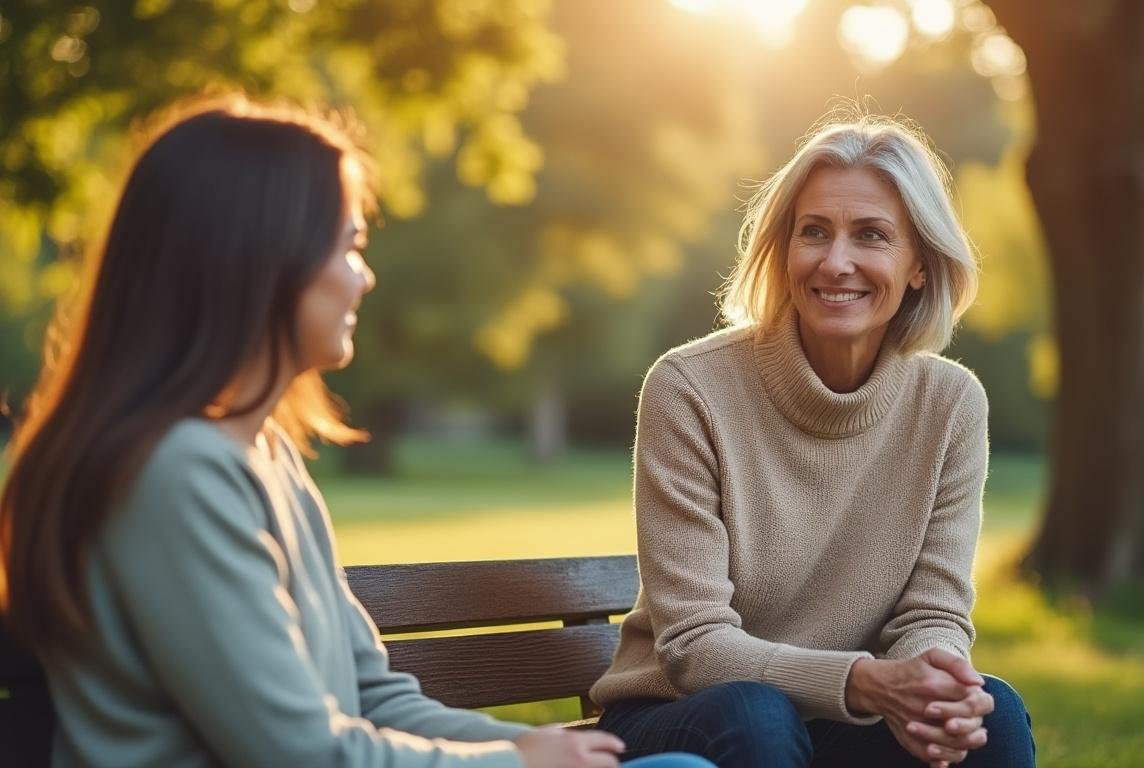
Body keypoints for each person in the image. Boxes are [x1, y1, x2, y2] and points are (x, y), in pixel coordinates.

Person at [0, 94, 712, 768]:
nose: (362, 278)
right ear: (261, 259)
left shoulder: (263, 453)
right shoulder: (174, 473)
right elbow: (299, 754)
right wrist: (510, 759)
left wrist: (528, 750)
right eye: (348, 246)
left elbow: (372, 695)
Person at [589, 114, 1036, 768]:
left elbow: (934, 613)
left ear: (918, 265)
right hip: (680, 716)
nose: (837, 262)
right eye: (814, 232)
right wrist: (864, 681)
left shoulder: (950, 404)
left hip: (838, 722)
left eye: (872, 236)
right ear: (784, 250)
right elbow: (693, 646)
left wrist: (935, 690)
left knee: (991, 715)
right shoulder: (689, 389)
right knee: (757, 713)